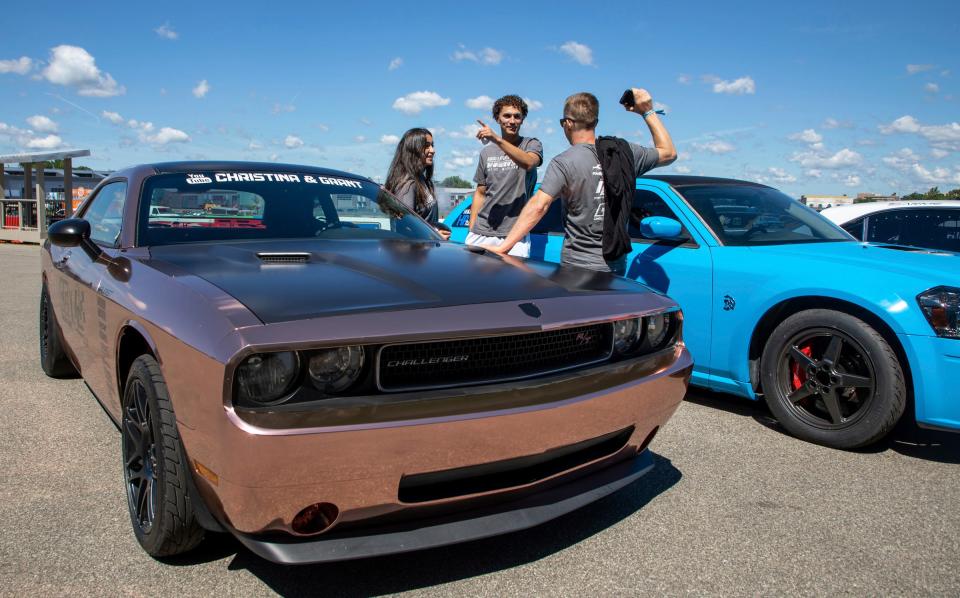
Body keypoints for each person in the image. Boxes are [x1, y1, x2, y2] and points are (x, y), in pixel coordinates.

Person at [490, 88, 676, 274]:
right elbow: (669, 153)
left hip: (577, 267)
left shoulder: (564, 162)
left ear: (568, 123)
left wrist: (503, 247)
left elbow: (539, 205)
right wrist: (647, 111)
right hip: (616, 265)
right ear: (595, 122)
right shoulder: (625, 153)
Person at [467, 95, 543, 256]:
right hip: (481, 232)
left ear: (522, 120)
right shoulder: (486, 153)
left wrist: (495, 138)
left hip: (514, 235)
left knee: (514, 282)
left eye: (517, 116)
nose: (512, 121)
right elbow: (480, 192)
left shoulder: (531, 144)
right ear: (497, 118)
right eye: (507, 116)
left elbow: (529, 163)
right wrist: (472, 227)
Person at [384, 127, 450, 239]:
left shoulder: (423, 180)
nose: (432, 150)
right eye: (426, 146)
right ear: (413, 149)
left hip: (427, 250)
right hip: (413, 253)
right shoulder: (407, 184)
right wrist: (432, 236)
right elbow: (404, 228)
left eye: (432, 145)